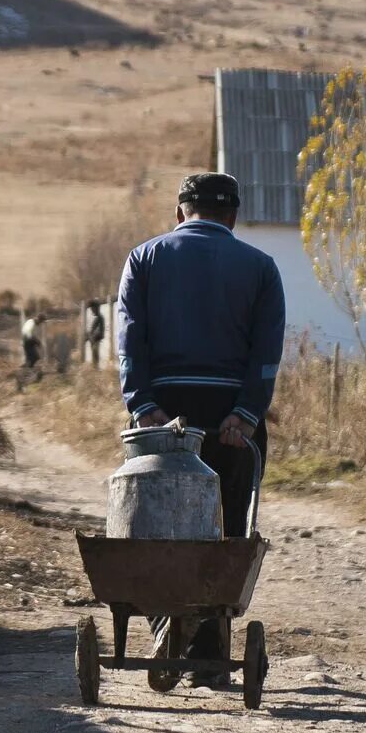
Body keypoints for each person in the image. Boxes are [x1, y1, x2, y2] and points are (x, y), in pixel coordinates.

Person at [116, 172, 285, 689]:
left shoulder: (144, 259)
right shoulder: (260, 267)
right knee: (226, 527)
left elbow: (129, 338)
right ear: (232, 217)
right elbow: (265, 353)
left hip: (164, 414)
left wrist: (143, 405)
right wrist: (246, 415)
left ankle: (168, 622)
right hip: (230, 416)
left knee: (153, 525)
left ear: (179, 213)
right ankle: (209, 656)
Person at [82, 300, 106, 367]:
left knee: (95, 354)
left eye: (93, 309)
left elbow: (100, 331)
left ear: (97, 308)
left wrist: (92, 336)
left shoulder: (99, 318)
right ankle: (95, 367)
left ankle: (96, 367)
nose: (92, 311)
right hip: (94, 339)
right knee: (94, 354)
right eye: (91, 309)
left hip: (96, 339)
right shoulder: (96, 318)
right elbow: (92, 330)